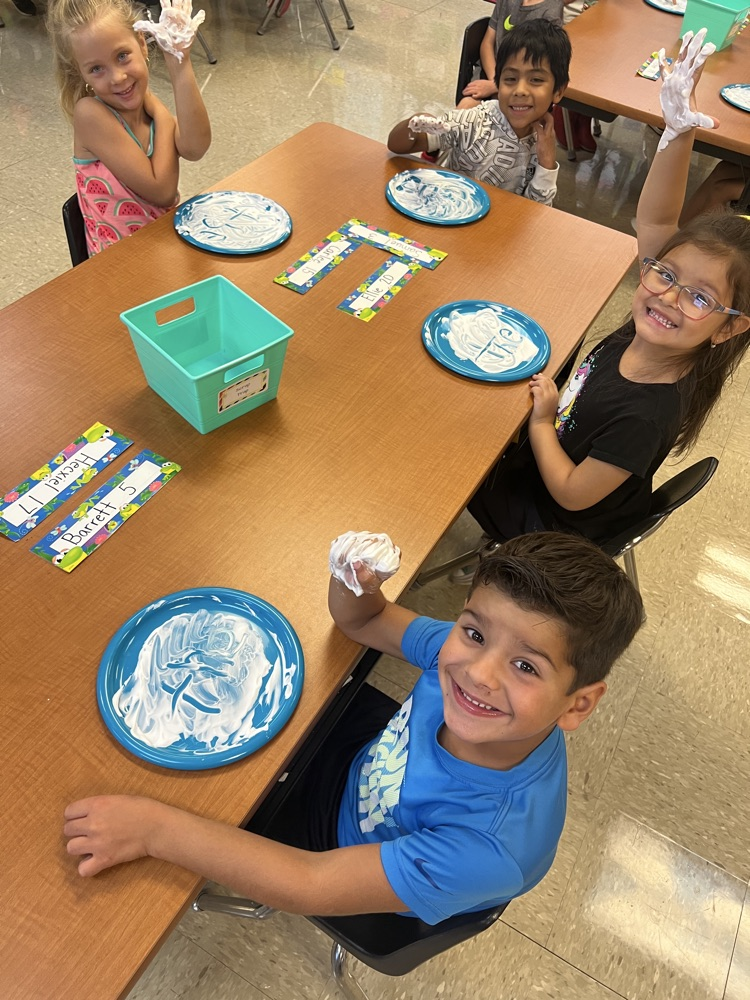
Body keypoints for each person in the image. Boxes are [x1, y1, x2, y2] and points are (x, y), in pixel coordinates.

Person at [63, 530, 643, 924]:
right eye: (473, 632)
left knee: (183, 801)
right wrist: (352, 580)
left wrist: (153, 831)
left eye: (526, 667)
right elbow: (366, 620)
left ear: (577, 705)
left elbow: (308, 883)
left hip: (345, 846)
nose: (478, 673)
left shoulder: (490, 847)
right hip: (374, 761)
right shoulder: (464, 659)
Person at [457, 29, 750, 572]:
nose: (668, 295)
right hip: (553, 447)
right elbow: (657, 220)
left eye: (700, 297)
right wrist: (676, 133)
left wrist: (542, 423)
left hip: (555, 523)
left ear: (730, 327)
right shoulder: (662, 324)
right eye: (666, 273)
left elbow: (571, 493)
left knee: (454, 455)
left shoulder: (646, 414)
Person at [46, 0, 211, 256]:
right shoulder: (90, 114)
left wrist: (180, 65)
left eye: (122, 56)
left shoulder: (146, 106)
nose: (117, 77)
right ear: (81, 74)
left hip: (163, 249)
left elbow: (195, 147)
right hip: (119, 267)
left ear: (142, 44)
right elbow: (163, 192)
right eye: (96, 69)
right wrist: (163, 115)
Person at [387, 20, 571, 205]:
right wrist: (412, 125)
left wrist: (547, 163)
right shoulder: (474, 120)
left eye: (536, 80)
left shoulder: (543, 141)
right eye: (510, 79)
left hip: (504, 220)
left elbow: (537, 211)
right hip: (451, 210)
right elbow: (398, 146)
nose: (520, 90)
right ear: (497, 83)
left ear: (558, 91)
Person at [458, 0, 570, 110]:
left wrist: (498, 86)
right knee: (465, 107)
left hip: (524, 81)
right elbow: (487, 44)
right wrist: (496, 81)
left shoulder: (552, 8)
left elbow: (544, 62)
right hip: (491, 71)